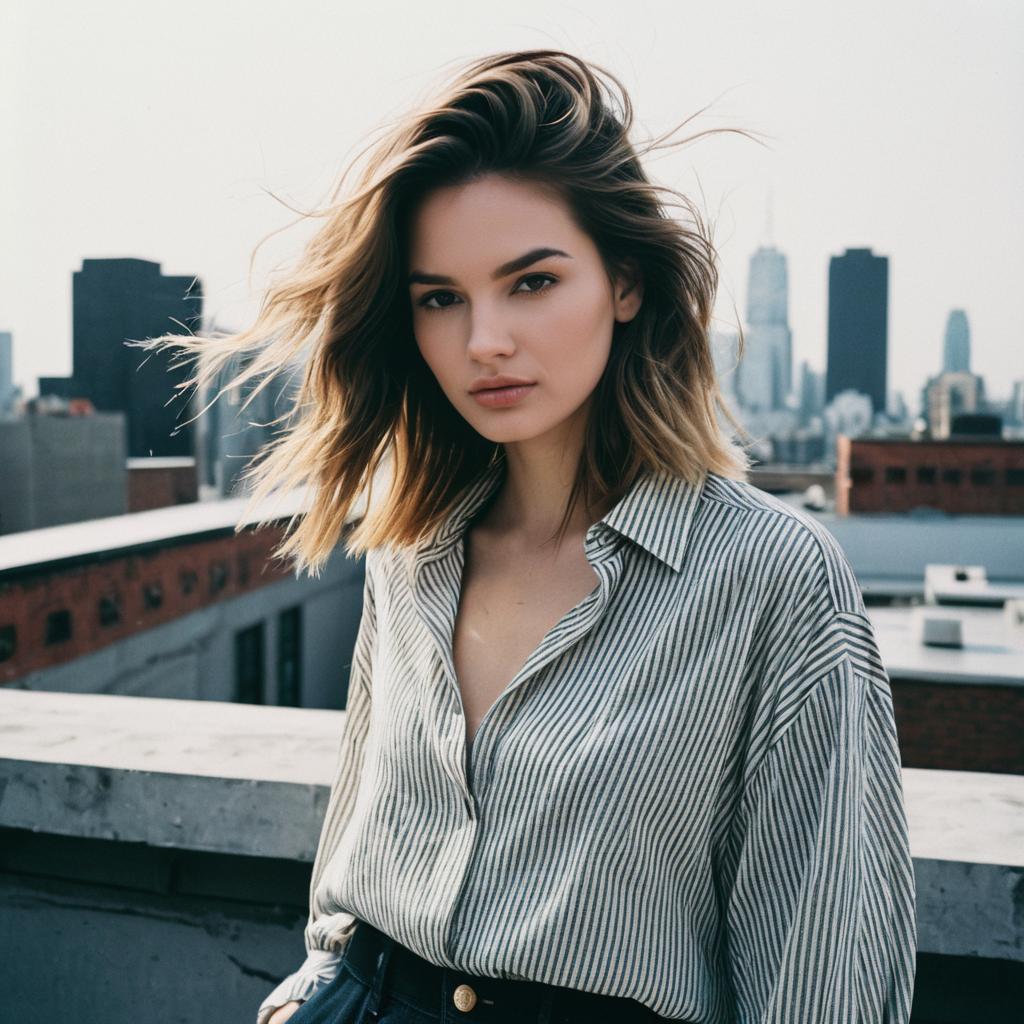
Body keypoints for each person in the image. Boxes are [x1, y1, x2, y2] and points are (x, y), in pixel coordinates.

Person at [143, 49, 916, 1024]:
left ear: (624, 283)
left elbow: (821, 981)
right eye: (440, 297)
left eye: (532, 282)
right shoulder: (409, 546)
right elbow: (353, 865)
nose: (484, 342)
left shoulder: (771, 579)